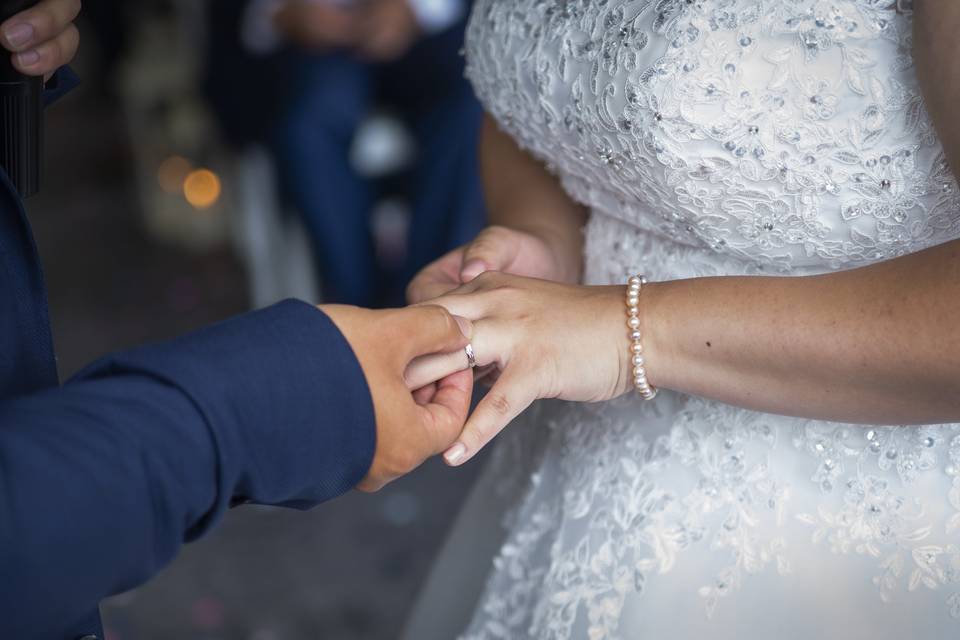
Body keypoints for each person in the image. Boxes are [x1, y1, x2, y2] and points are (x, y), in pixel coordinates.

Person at [403, 1, 960, 638]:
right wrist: (543, 235)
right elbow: (534, 83)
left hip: (822, 519)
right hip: (574, 461)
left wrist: (626, 331)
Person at [0, 2, 473, 639]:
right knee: (308, 121)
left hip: (430, 46)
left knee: (467, 116)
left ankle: (414, 315)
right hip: (301, 50)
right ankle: (372, 310)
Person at [206, 0, 485, 307]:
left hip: (429, 37)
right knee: (308, 123)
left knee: (470, 111)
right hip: (307, 48)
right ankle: (359, 310)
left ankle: (435, 298)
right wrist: (279, 12)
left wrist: (417, 8)